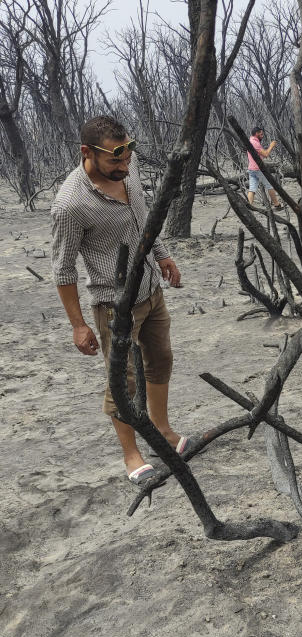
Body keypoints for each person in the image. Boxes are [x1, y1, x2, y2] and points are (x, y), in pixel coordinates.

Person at [51, 115, 189, 486]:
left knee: (161, 358)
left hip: (150, 288)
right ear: (87, 152)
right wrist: (78, 325)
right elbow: (63, 270)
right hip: (114, 304)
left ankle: (162, 429)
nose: (124, 166)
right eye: (115, 160)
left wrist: (161, 254)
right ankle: (132, 454)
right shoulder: (70, 204)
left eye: (128, 156)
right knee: (123, 382)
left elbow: (143, 220)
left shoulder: (127, 166)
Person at [247, 126, 284, 210]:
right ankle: (277, 205)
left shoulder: (251, 141)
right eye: (261, 134)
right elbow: (266, 154)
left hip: (251, 168)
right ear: (256, 133)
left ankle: (249, 206)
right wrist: (271, 145)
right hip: (257, 169)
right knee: (270, 186)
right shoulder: (254, 143)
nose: (262, 135)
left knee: (252, 189)